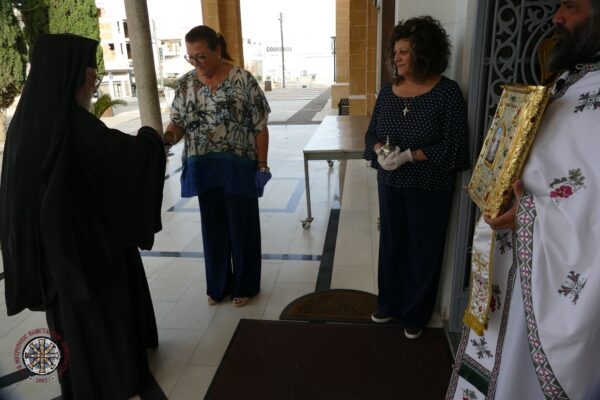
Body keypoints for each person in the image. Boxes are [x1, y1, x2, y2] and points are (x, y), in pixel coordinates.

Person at [447, 0, 600, 398]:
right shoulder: (571, 81)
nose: (556, 17)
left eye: (571, 6)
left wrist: (529, 214)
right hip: (521, 264)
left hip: (550, 273)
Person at [0, 34, 166, 399]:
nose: (94, 83)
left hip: (54, 254)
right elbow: (122, 159)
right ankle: (114, 380)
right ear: (71, 75)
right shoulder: (73, 123)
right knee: (100, 315)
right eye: (90, 75)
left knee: (70, 323)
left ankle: (82, 381)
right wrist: (151, 139)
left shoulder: (27, 123)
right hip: (87, 249)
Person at [363, 16, 470, 339]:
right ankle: (389, 303)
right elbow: (372, 134)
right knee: (392, 243)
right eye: (395, 52)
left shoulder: (447, 93)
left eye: (404, 52)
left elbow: (455, 146)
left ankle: (416, 312)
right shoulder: (388, 91)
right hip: (391, 184)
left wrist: (410, 155)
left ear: (423, 53)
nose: (396, 58)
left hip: (430, 185)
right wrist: (381, 151)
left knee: (423, 247)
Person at [163, 25, 270, 307]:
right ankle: (218, 285)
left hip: (239, 167)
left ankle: (245, 285)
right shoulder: (185, 85)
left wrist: (262, 165)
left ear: (217, 50)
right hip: (204, 167)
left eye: (201, 56)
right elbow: (178, 123)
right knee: (213, 229)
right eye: (191, 57)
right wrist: (167, 138)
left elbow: (260, 126)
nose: (196, 63)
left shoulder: (243, 80)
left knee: (241, 226)